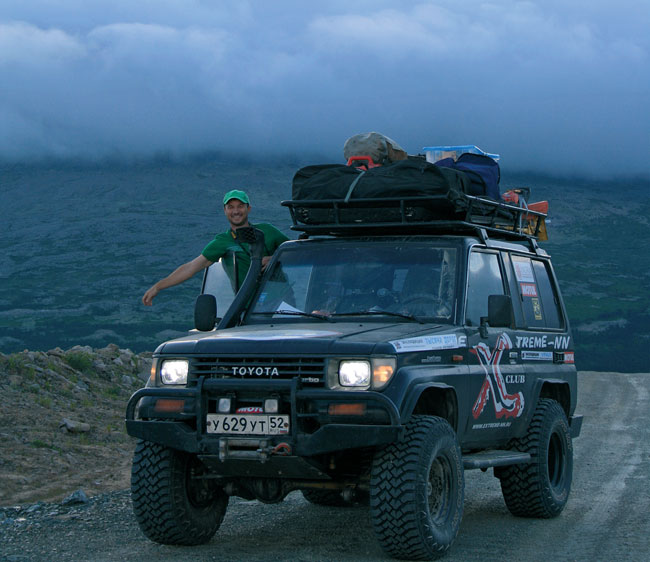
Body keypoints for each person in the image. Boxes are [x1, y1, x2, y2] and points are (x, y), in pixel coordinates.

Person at [142, 189, 288, 306]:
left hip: (283, 303)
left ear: (248, 208)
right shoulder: (222, 241)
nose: (236, 211)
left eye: (240, 206)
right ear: (225, 211)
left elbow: (297, 252)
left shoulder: (268, 231)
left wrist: (274, 258)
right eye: (230, 207)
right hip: (248, 309)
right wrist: (158, 286)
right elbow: (191, 267)